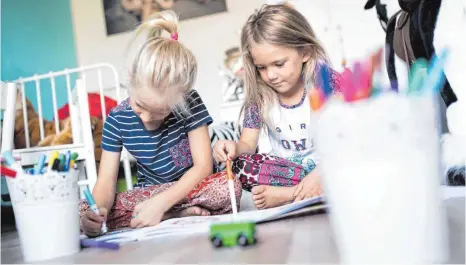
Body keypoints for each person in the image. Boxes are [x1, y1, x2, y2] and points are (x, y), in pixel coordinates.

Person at [80, 11, 241, 237]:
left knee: (229, 188)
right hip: (150, 194)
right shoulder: (116, 119)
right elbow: (106, 182)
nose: (146, 118)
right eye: (139, 105)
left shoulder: (191, 103)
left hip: (191, 187)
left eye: (159, 112)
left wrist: (163, 203)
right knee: (81, 212)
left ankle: (167, 212)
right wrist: (97, 213)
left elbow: (203, 167)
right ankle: (175, 214)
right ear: (131, 80)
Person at [213, 4, 340, 209]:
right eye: (261, 68)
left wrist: (320, 173)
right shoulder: (260, 97)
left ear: (305, 52)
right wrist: (234, 147)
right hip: (287, 172)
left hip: (328, 166)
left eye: (279, 64)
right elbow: (247, 143)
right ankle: (311, 191)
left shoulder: (326, 83)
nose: (271, 75)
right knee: (240, 166)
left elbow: (346, 138)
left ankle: (290, 195)